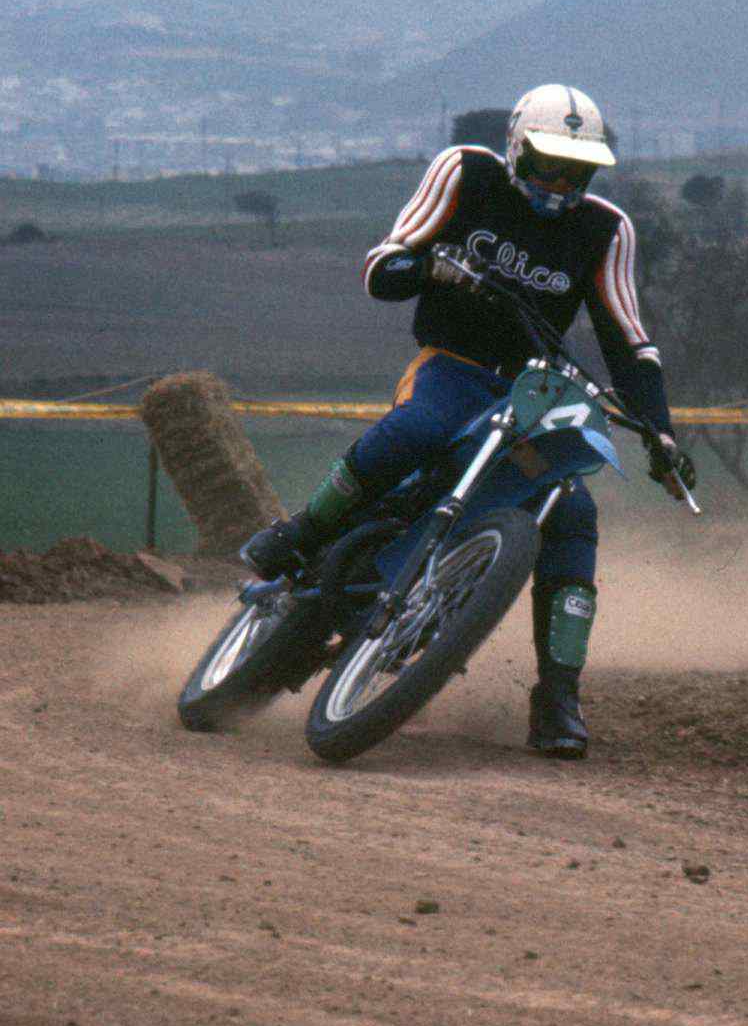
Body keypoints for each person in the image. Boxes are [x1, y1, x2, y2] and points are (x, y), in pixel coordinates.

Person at [243, 84, 695, 759]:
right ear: (517, 150)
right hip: (451, 366)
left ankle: (559, 695)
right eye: (548, 164)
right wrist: (428, 267)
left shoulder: (606, 229)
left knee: (572, 513)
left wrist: (661, 432)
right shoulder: (467, 173)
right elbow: (384, 266)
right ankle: (304, 532)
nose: (560, 182)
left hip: (530, 391)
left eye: (577, 170)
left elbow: (630, 343)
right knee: (421, 429)